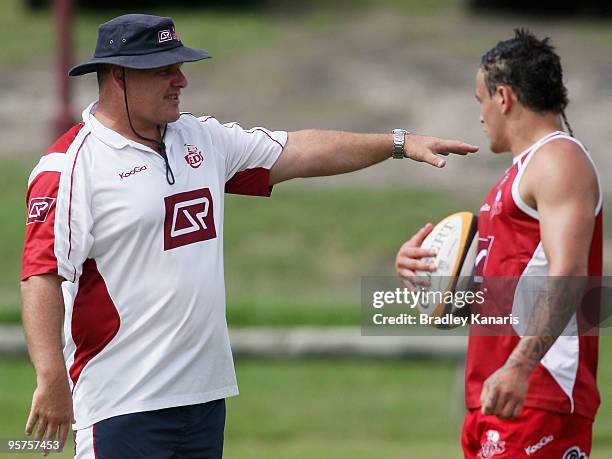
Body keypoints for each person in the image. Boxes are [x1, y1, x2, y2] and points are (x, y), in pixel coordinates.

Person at [20, 13, 477, 458]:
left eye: (182, 68)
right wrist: (51, 377)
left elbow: (298, 151)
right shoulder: (69, 170)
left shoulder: (201, 140)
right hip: (121, 404)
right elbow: (40, 276)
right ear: (118, 77)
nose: (181, 80)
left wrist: (397, 144)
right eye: (165, 70)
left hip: (203, 397)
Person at [396, 29, 602, 458]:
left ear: (503, 97)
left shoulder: (558, 160)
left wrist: (520, 366)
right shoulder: (519, 174)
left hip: (538, 391)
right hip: (497, 393)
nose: (480, 115)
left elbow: (569, 275)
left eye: (480, 101)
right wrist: (428, 276)